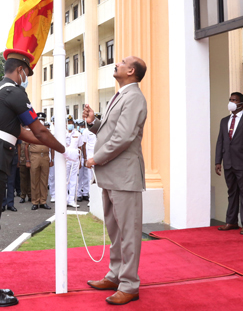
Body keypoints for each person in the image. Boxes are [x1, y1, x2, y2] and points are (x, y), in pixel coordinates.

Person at [0, 51, 64, 307]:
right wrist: (63, 148)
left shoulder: (0, 91)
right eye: (27, 74)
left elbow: (23, 132)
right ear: (20, 70)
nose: (27, 79)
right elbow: (39, 130)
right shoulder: (14, 92)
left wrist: (53, 143)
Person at [82, 56, 147, 306]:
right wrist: (93, 122)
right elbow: (110, 131)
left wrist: (95, 158)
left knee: (128, 231)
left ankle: (130, 284)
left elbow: (123, 137)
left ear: (131, 71)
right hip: (112, 174)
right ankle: (115, 275)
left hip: (125, 175)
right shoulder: (121, 94)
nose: (115, 63)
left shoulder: (134, 97)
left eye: (121, 62)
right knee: (115, 229)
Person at [215, 92, 243, 235]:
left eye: (234, 100)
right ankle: (231, 221)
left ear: (242, 103)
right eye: (230, 100)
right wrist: (218, 161)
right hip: (228, 163)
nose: (231, 102)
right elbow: (220, 142)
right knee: (232, 193)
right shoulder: (224, 121)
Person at [64, 115, 86, 208]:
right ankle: (64, 199)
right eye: (68, 123)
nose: (70, 125)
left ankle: (71, 200)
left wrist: (80, 161)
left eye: (71, 123)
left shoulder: (78, 134)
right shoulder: (62, 134)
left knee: (74, 181)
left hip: (75, 160)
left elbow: (80, 147)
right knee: (64, 180)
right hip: (65, 159)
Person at [78, 113, 99, 202]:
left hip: (99, 157)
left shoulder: (101, 130)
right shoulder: (86, 131)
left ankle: (97, 198)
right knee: (89, 178)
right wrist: (86, 158)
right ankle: (91, 199)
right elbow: (84, 145)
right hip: (90, 158)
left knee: (98, 179)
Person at [17, 137, 31, 204]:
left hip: (32, 160)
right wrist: (18, 160)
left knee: (31, 179)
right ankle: (23, 196)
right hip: (22, 160)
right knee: (23, 179)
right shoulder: (20, 136)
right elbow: (19, 148)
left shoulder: (32, 135)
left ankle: (30, 195)